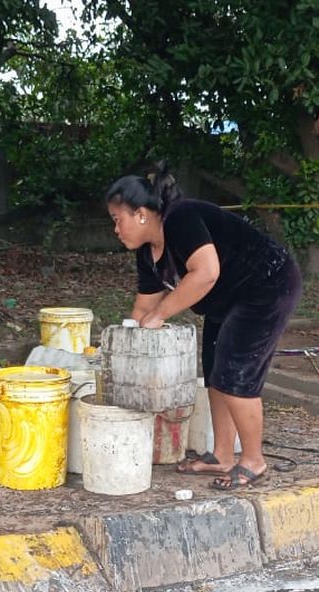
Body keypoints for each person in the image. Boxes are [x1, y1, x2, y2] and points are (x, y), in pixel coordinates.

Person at [105, 166, 302, 490]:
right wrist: (121, 351)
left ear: (140, 214)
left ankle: (253, 459)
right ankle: (222, 455)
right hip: (226, 298)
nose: (115, 228)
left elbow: (206, 271)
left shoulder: (180, 218)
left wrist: (162, 314)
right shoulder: (147, 255)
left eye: (117, 218)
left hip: (266, 283)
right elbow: (142, 309)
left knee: (235, 370)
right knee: (214, 371)